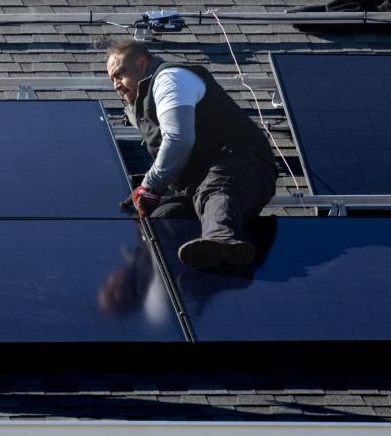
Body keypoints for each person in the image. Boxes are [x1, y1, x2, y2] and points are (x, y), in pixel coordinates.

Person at [105, 39, 277, 269]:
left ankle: (222, 240)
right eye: (112, 80)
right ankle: (186, 279)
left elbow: (179, 140)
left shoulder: (170, 79)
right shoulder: (142, 103)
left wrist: (150, 186)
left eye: (120, 74)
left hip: (241, 164)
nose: (116, 84)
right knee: (164, 217)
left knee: (216, 189)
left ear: (141, 62)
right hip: (195, 186)